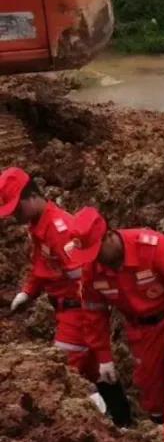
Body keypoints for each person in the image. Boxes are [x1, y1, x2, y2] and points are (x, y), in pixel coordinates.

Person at [0, 167, 130, 425]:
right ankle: (123, 421)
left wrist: (89, 318)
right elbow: (42, 266)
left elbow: (84, 277)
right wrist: (29, 292)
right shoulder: (37, 226)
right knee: (98, 372)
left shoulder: (60, 230)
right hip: (66, 310)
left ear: (32, 197)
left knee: (61, 373)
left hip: (78, 312)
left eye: (17, 209)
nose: (15, 216)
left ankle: (94, 422)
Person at [66, 207, 164, 423]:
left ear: (109, 236)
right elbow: (94, 316)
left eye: (96, 251)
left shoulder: (151, 246)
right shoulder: (91, 270)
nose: (95, 259)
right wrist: (104, 358)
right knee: (149, 385)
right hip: (141, 327)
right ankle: (160, 428)